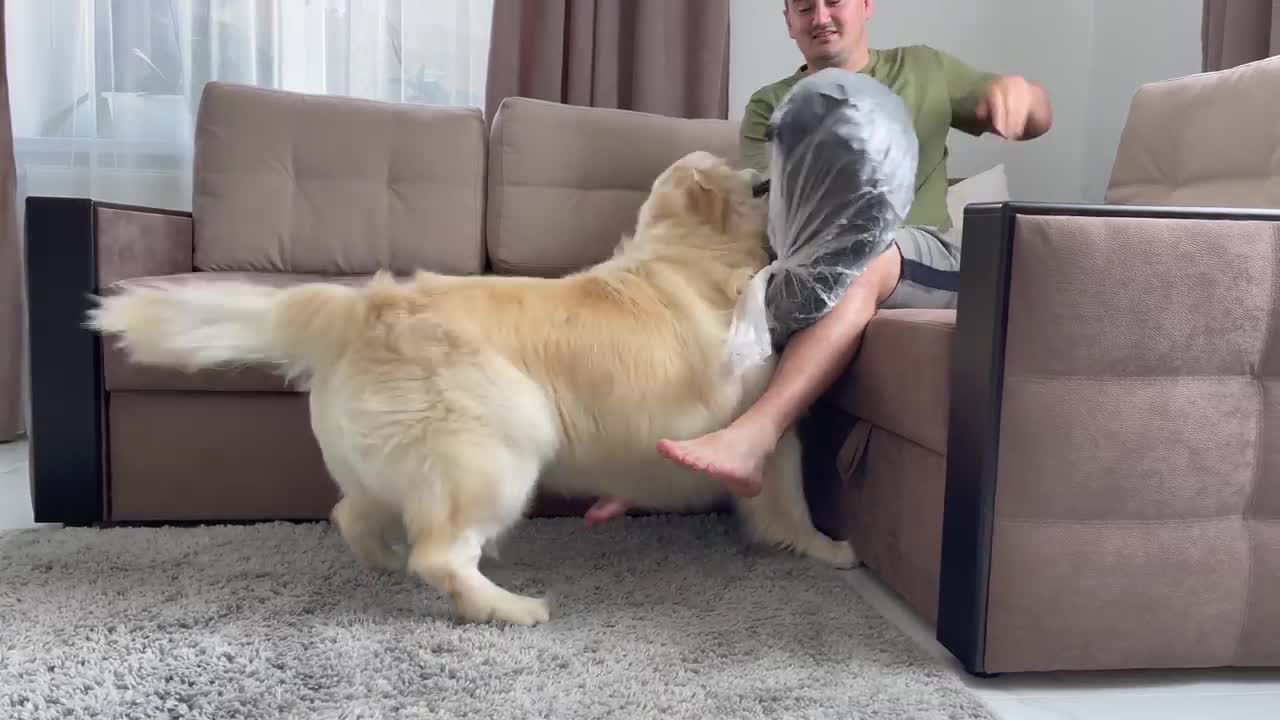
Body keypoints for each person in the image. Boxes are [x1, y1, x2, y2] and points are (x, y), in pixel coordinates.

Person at [585, 0, 1052, 526]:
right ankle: (651, 466)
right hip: (808, 261)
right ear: (788, 21)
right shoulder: (772, 105)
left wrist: (1021, 98)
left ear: (867, 6)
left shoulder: (924, 70)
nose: (821, 16)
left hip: (915, 255)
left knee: (862, 257)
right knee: (724, 302)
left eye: (834, 2)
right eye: (805, 7)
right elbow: (767, 200)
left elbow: (1038, 114)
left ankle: (754, 436)